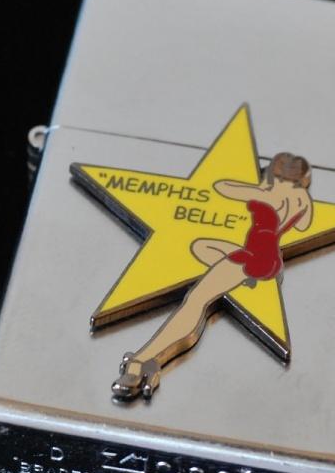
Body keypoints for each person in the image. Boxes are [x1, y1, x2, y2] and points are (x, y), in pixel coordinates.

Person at [112, 152, 314, 400]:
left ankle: (143, 360)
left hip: (252, 257)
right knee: (202, 247)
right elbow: (304, 225)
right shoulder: (302, 199)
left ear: (273, 171)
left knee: (196, 301)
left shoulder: (269, 193)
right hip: (267, 257)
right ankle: (241, 279)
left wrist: (260, 187)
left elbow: (223, 187)